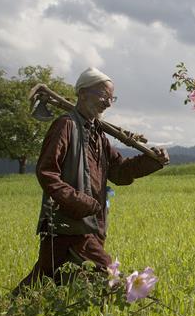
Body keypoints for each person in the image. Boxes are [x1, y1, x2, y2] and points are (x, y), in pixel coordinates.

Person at [16, 67, 169, 290]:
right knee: (109, 275)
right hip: (69, 225)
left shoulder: (98, 135)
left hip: (90, 225)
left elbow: (119, 172)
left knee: (46, 280)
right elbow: (47, 172)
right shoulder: (66, 126)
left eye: (112, 98)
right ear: (83, 93)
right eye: (103, 95)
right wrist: (79, 202)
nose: (108, 103)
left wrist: (153, 160)